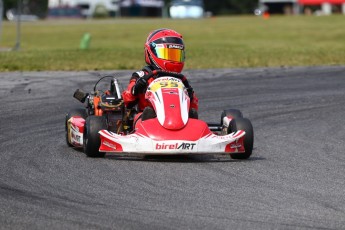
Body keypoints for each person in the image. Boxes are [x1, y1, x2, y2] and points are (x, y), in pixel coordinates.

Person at [122, 28, 199, 121]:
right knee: (143, 116)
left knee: (192, 115)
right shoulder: (142, 76)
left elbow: (194, 106)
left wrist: (190, 96)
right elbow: (126, 100)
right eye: (167, 54)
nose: (173, 59)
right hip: (146, 120)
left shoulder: (180, 80)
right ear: (150, 52)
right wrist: (136, 89)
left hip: (176, 119)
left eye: (176, 55)